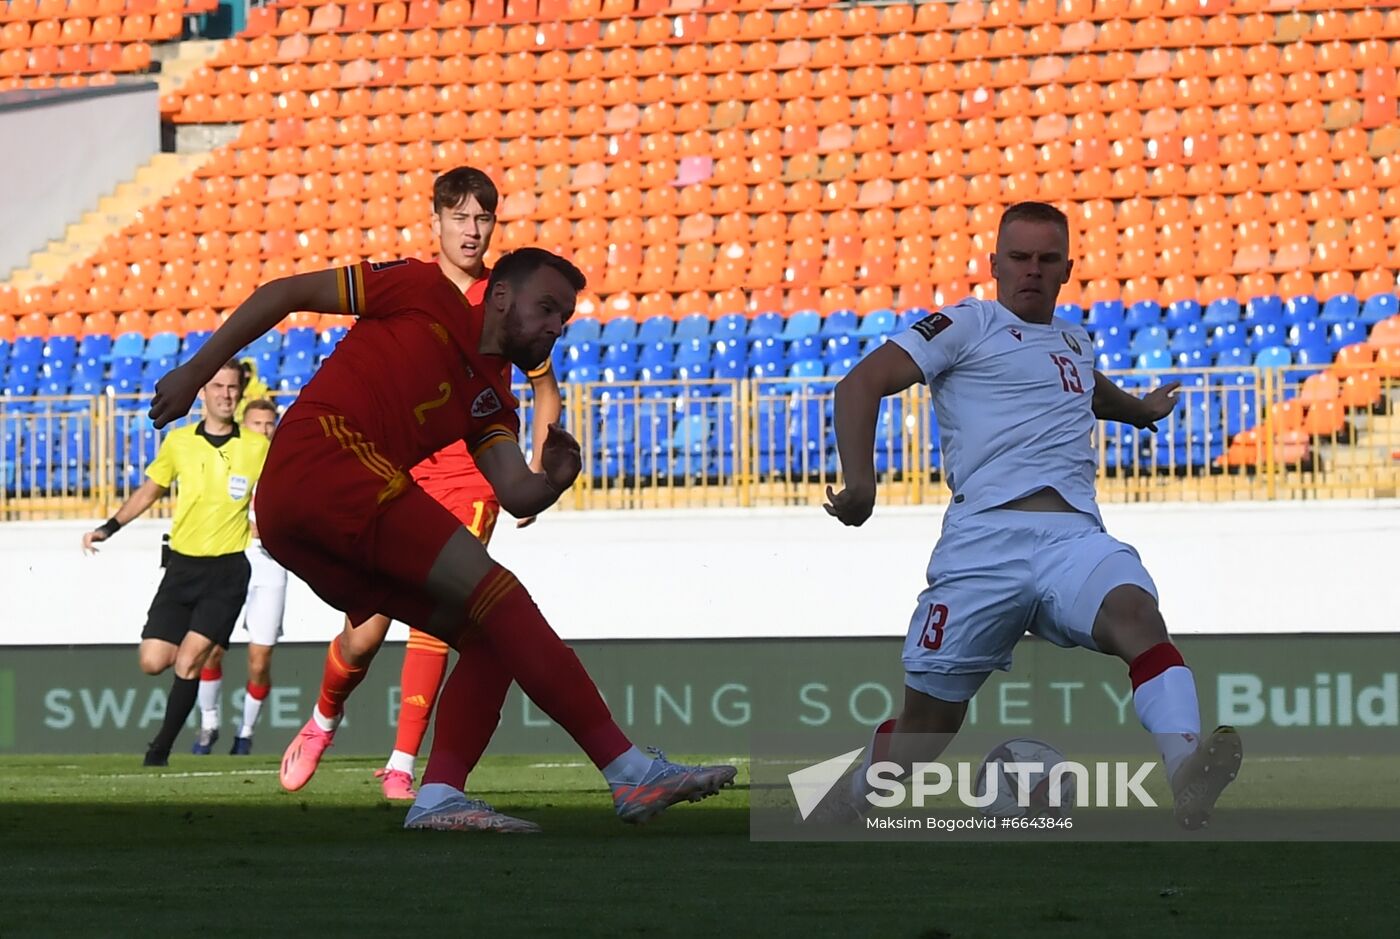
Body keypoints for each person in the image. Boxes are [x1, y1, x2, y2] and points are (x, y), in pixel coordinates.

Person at [148, 247, 735, 832]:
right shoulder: (420, 287)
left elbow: (515, 494)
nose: (556, 326)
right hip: (323, 459)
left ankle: (439, 796)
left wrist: (554, 480)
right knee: (501, 596)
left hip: (307, 518)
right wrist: (194, 372)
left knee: (490, 636)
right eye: (548, 307)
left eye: (565, 318)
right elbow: (285, 291)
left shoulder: (490, 397)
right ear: (501, 296)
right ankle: (628, 768)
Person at [821, 201, 1242, 831]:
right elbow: (859, 383)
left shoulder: (1074, 339)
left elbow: (1085, 384)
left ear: (1068, 269)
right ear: (994, 264)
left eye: (1047, 260)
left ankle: (1186, 769)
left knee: (1137, 615)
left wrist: (1140, 411)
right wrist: (860, 483)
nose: (1032, 271)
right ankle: (846, 794)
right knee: (926, 732)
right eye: (1019, 258)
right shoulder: (967, 323)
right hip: (983, 544)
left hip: (1073, 538)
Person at [274, 167, 564, 802]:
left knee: (445, 618)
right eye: (460, 217)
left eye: (483, 218)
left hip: (472, 477)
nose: (473, 229)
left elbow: (543, 386)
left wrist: (534, 472)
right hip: (399, 466)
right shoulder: (411, 285)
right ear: (436, 222)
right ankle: (325, 718)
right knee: (369, 626)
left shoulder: (506, 296)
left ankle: (404, 763)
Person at [83, 360, 270, 766]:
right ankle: (179, 732)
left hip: (227, 572)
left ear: (240, 394)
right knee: (152, 661)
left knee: (189, 660)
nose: (225, 394)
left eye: (232, 388)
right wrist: (109, 527)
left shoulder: (257, 447)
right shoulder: (180, 443)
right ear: (203, 392)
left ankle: (160, 749)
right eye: (217, 386)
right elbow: (150, 491)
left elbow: (283, 495)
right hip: (182, 569)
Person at [193, 398, 286, 755]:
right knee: (211, 648)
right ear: (245, 426)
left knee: (259, 660)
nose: (264, 430)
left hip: (271, 567)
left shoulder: (284, 467)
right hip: (231, 560)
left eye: (269, 424)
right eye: (257, 424)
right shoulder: (229, 463)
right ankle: (209, 724)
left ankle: (245, 733)